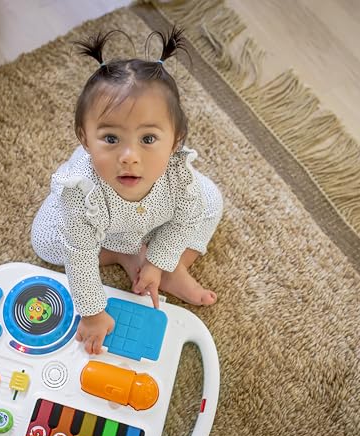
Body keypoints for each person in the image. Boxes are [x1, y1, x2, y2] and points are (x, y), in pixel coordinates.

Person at [31, 28, 223, 355]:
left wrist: (158, 262)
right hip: (100, 230)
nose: (129, 157)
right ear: (85, 139)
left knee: (210, 200)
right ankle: (125, 255)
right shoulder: (82, 192)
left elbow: (185, 220)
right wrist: (92, 313)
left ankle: (166, 266)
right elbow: (79, 254)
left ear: (175, 141)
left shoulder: (177, 176)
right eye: (110, 139)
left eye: (148, 139)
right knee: (46, 241)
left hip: (155, 220)